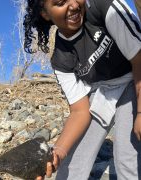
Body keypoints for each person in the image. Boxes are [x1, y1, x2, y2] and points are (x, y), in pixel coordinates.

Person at [24, 0, 141, 179]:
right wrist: (58, 153)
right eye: (60, 2)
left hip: (134, 77)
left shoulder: (105, 7)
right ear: (45, 14)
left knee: (127, 157)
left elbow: (139, 59)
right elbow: (79, 111)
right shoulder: (61, 59)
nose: (73, 5)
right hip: (103, 90)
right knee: (71, 162)